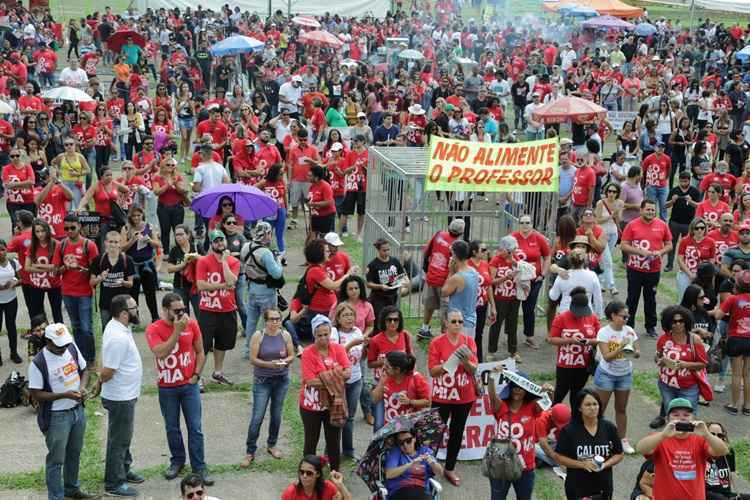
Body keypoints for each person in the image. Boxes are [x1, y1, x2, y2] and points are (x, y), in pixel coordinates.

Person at [146, 293, 213, 485]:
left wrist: (196, 375)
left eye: (183, 309)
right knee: (172, 427)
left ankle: (199, 467)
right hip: (167, 388)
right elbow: (160, 352)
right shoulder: (154, 328)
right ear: (165, 310)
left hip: (188, 386)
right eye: (176, 311)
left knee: (195, 428)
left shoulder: (191, 324)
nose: (181, 313)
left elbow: (200, 351)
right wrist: (176, 331)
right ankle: (177, 461)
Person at [28, 323, 94, 500]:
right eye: (60, 345)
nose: (64, 348)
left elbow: (84, 369)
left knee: (74, 452)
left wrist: (81, 388)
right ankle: (56, 496)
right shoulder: (39, 363)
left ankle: (72, 488)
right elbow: (35, 394)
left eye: (65, 343)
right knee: (56, 460)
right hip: (57, 417)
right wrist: (63, 395)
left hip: (77, 411)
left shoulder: (71, 347)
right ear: (48, 341)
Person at [96, 294, 144, 497]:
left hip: (126, 394)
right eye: (134, 308)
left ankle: (124, 469)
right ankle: (114, 483)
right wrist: (98, 382)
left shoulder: (120, 327)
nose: (137, 310)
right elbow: (107, 371)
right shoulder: (117, 337)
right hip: (120, 397)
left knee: (124, 437)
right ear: (124, 314)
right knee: (119, 440)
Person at [636, 397, 730, 500]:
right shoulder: (661, 438)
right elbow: (641, 448)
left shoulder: (700, 439)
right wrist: (663, 435)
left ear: (693, 418)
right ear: (667, 419)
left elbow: (723, 451)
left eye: (686, 415)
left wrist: (707, 434)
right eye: (676, 415)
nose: (682, 418)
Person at [428, 309, 478, 487]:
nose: (457, 325)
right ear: (446, 323)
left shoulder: (468, 341)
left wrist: (464, 361)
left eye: (460, 322)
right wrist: (449, 363)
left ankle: (449, 468)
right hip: (442, 396)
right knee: (435, 433)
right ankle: (430, 469)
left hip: (464, 397)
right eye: (454, 321)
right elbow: (432, 371)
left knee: (457, 433)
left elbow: (474, 369)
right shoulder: (437, 342)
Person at [486, 370, 553, 500]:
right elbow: (492, 396)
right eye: (515, 387)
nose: (517, 390)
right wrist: (492, 378)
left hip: (525, 467)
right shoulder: (501, 406)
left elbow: (548, 401)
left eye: (521, 388)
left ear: (526, 391)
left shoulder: (533, 407)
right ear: (510, 388)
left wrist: (549, 391)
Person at [242, 307, 294, 467]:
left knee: (276, 414)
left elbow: (291, 355)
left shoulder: (285, 335)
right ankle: (250, 450)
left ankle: (272, 444)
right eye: (272, 319)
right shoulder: (259, 336)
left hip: (281, 379)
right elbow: (253, 359)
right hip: (262, 380)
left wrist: (284, 362)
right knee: (258, 416)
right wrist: (269, 365)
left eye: (278, 319)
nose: (275, 322)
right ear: (265, 321)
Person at [299, 315, 352, 472]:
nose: (323, 338)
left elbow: (348, 372)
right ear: (314, 335)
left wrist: (325, 377)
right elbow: (310, 381)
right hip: (311, 406)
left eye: (326, 334)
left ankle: (335, 473)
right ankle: (308, 472)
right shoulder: (308, 353)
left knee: (334, 441)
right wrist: (336, 375)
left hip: (333, 404)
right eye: (319, 335)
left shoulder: (338, 349)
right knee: (311, 441)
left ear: (331, 333)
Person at [555, 388, 625, 500]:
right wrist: (582, 464)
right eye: (587, 405)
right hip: (577, 487)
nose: (592, 408)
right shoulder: (569, 431)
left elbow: (619, 454)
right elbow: (559, 457)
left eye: (595, 404)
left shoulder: (609, 428)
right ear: (579, 408)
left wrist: (605, 465)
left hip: (603, 486)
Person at [594, 300, 640, 455]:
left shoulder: (629, 331)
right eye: (623, 316)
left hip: (624, 374)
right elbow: (606, 357)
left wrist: (634, 351)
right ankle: (598, 439)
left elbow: (637, 351)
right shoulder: (604, 333)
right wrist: (621, 346)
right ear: (613, 316)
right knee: (600, 409)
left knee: (621, 408)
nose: (626, 319)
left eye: (628, 316)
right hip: (606, 374)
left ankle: (622, 439)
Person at [621, 199, 673, 337]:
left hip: (653, 270)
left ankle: (651, 327)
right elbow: (624, 245)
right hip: (635, 269)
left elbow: (669, 244)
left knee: (651, 299)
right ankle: (628, 326)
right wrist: (639, 251)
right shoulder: (632, 225)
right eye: (648, 209)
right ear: (641, 210)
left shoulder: (662, 225)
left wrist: (660, 252)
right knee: (632, 298)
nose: (650, 212)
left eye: (652, 210)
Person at [196, 229, 240, 386]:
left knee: (222, 343)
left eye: (221, 240)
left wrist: (224, 263)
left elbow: (232, 281)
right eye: (216, 241)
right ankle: (198, 376)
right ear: (211, 243)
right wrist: (222, 285)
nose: (219, 243)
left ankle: (218, 372)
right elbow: (201, 285)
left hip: (227, 309)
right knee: (204, 345)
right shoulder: (203, 261)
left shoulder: (233, 262)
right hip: (208, 310)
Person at [53, 213, 98, 364]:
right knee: (76, 326)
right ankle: (80, 357)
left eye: (72, 227)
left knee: (86, 328)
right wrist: (65, 267)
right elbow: (55, 271)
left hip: (84, 292)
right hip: (67, 292)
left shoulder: (89, 245)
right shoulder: (61, 245)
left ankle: (90, 359)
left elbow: (95, 271)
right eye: (66, 228)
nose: (70, 231)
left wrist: (79, 267)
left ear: (79, 226)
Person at [548, 287, 601, 407]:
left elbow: (600, 339)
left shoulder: (592, 318)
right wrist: (569, 341)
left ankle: (575, 420)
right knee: (559, 393)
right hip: (565, 364)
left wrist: (588, 342)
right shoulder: (561, 318)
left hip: (584, 364)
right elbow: (551, 339)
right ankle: (550, 417)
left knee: (577, 395)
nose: (580, 315)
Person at [655, 305, 707, 420]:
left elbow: (703, 364)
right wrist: (660, 361)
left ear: (686, 321)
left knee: (688, 419)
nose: (678, 324)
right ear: (668, 323)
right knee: (672, 417)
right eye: (674, 322)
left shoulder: (694, 340)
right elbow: (658, 356)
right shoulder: (664, 339)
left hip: (688, 387)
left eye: (681, 321)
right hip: (666, 385)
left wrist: (684, 365)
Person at [241, 221, 283, 358]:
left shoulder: (246, 246)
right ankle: (266, 350)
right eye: (270, 233)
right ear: (266, 234)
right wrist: (278, 260)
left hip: (251, 289)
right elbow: (277, 274)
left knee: (251, 322)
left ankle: (248, 350)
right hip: (266, 291)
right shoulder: (265, 253)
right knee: (269, 322)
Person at [711, 269, 750, 415]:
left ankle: (734, 405)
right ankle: (747, 407)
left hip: (736, 338)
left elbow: (718, 316)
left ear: (737, 285)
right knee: (748, 374)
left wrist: (715, 310)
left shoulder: (733, 299)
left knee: (736, 374)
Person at [420, 219, 465, 340]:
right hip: (445, 282)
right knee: (446, 310)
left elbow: (427, 252)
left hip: (431, 276)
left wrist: (426, 269)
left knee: (429, 305)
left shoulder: (438, 234)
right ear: (461, 232)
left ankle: (424, 328)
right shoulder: (457, 245)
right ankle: (445, 336)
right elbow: (457, 265)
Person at [330, 303, 364, 460]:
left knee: (350, 416)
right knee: (337, 416)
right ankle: (331, 451)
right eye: (345, 315)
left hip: (356, 378)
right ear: (338, 318)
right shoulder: (334, 333)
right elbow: (335, 356)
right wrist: (351, 345)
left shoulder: (358, 331)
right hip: (339, 381)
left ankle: (348, 450)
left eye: (351, 315)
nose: (349, 318)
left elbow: (360, 357)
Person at [512, 213, 550, 350]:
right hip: (516, 280)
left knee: (529, 308)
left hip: (535, 280)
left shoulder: (539, 238)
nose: (525, 225)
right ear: (519, 224)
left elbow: (547, 256)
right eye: (522, 222)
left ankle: (529, 336)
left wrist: (543, 274)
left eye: (527, 222)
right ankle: (510, 335)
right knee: (512, 308)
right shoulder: (513, 237)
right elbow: (504, 254)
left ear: (532, 224)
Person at [121, 206, 161, 323]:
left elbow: (157, 244)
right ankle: (135, 319)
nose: (136, 218)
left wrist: (149, 240)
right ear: (130, 217)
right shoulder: (126, 228)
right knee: (133, 293)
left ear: (142, 215)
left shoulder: (149, 226)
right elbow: (122, 248)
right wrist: (133, 240)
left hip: (147, 264)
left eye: (139, 215)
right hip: (132, 265)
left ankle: (155, 317)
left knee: (150, 292)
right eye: (134, 216)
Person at [89, 231, 135, 328]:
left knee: (123, 329)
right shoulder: (99, 259)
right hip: (105, 303)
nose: (113, 245)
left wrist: (123, 282)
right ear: (105, 242)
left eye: (116, 242)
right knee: (106, 330)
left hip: (122, 303)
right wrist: (101, 278)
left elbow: (131, 283)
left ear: (120, 243)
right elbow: (91, 282)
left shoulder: (127, 260)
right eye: (110, 242)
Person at [549, 242, 604, 317]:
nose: (580, 248)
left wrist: (551, 289)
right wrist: (598, 315)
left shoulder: (562, 275)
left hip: (565, 313)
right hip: (586, 313)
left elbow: (553, 296)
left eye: (583, 247)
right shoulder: (592, 276)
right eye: (578, 246)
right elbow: (598, 298)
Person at [489, 235, 521, 361]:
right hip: (500, 297)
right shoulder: (495, 261)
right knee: (496, 324)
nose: (500, 252)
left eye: (503, 250)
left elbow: (523, 272)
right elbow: (491, 281)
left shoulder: (515, 259)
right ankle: (492, 350)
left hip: (513, 298)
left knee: (513, 325)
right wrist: (506, 277)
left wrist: (517, 265)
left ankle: (513, 351)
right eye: (500, 249)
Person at [385, 430, 444, 500]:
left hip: (421, 491)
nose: (405, 445)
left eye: (408, 441)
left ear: (414, 439)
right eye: (401, 443)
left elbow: (440, 472)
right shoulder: (396, 452)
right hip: (400, 490)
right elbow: (389, 474)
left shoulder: (424, 451)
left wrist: (432, 463)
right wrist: (410, 464)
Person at [26, 219, 64, 324]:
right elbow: (27, 268)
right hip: (36, 285)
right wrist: (49, 267)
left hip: (54, 285)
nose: (40, 234)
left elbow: (57, 267)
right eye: (37, 232)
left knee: (57, 313)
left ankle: (60, 338)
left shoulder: (57, 244)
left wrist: (37, 265)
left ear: (47, 230)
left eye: (42, 231)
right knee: (38, 315)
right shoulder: (32, 245)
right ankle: (41, 338)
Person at [441, 240, 480, 339]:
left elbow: (444, 292)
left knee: (457, 353)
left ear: (454, 255)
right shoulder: (474, 271)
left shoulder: (457, 278)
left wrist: (450, 272)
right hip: (471, 320)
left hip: (459, 324)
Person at [366, 238, 407, 324]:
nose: (387, 252)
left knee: (392, 318)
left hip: (392, 297)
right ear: (378, 250)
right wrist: (380, 286)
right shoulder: (373, 265)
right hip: (378, 298)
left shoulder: (394, 261)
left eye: (388, 249)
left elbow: (402, 275)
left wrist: (404, 282)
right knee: (380, 320)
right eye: (384, 250)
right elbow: (369, 284)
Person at [705, 422, 750, 500]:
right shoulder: (699, 452)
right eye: (712, 434)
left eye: (720, 435)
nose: (716, 438)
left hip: (726, 495)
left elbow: (731, 476)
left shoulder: (728, 453)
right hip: (706, 495)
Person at [677, 218, 716, 300]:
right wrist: (690, 274)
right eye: (696, 228)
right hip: (686, 274)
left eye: (702, 228)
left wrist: (706, 274)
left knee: (701, 299)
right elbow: (680, 259)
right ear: (692, 229)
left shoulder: (711, 242)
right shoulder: (685, 241)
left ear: (705, 229)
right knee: (683, 299)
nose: (699, 230)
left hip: (702, 277)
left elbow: (712, 260)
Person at [281, 455, 353, 500]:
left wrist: (340, 485)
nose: (304, 476)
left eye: (309, 473)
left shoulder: (327, 487)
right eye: (302, 472)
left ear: (318, 474)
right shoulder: (291, 492)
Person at [166, 225, 201, 316]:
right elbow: (169, 269)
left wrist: (197, 257)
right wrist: (183, 264)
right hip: (180, 287)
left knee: (201, 314)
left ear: (188, 235)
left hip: (196, 286)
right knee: (182, 316)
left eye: (181, 234)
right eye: (176, 235)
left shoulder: (196, 247)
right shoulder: (174, 250)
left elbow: (207, 261)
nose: (178, 237)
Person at [308, 165, 336, 238]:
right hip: (315, 216)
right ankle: (313, 249)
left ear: (316, 177)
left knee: (324, 238)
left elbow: (329, 202)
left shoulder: (326, 186)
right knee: (311, 238)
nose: (308, 177)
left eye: (310, 176)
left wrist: (313, 204)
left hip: (326, 215)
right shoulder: (312, 186)